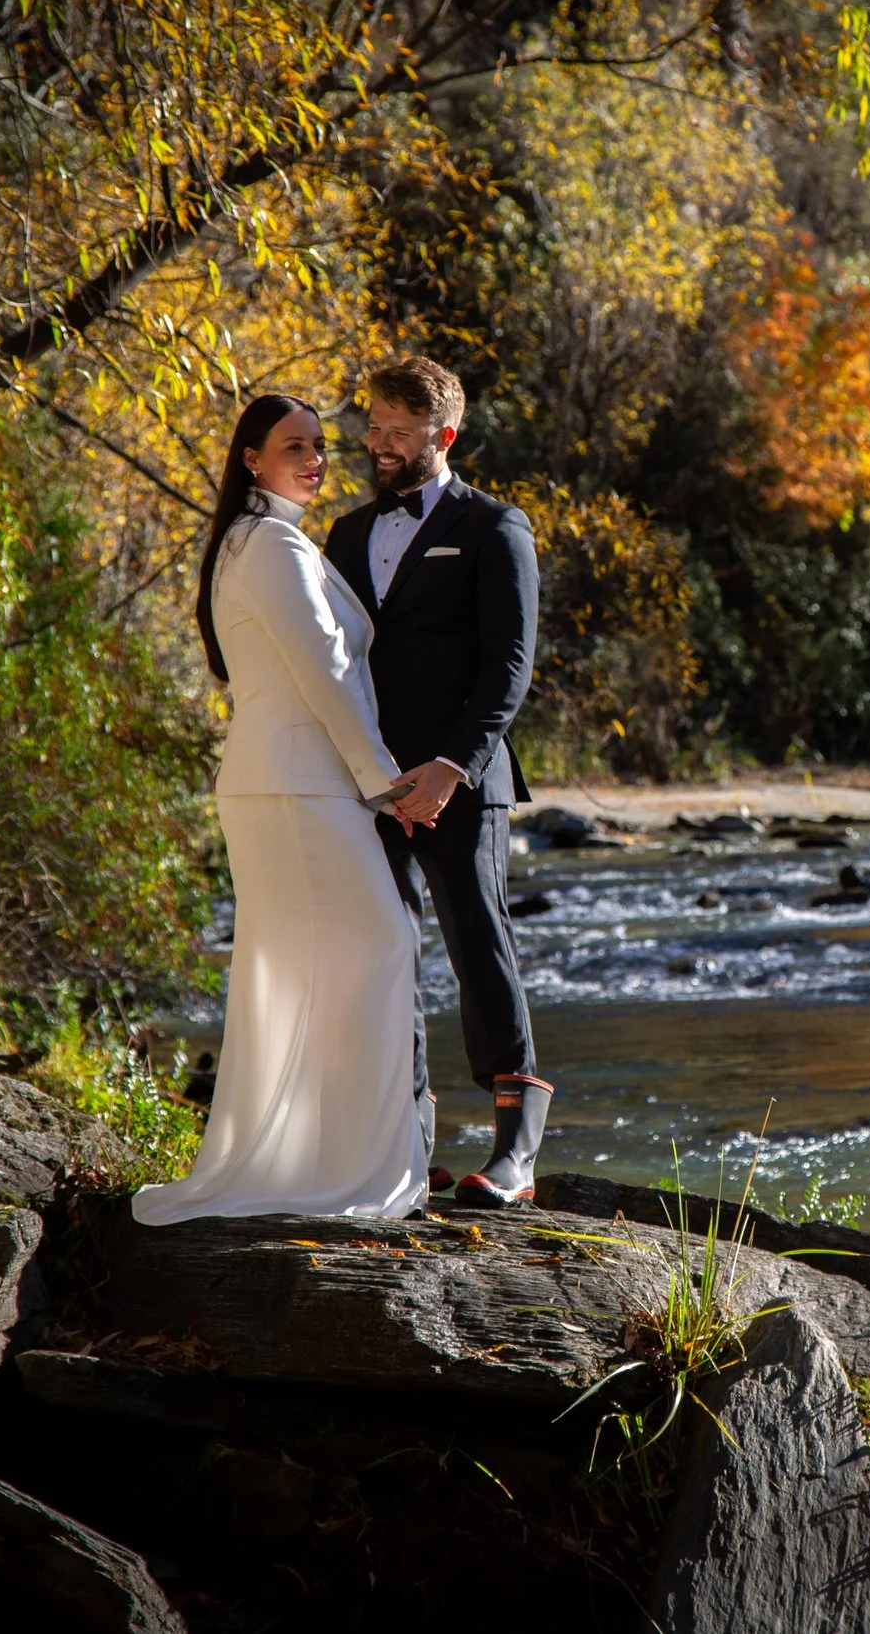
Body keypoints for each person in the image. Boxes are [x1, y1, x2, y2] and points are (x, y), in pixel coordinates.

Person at [132, 394, 433, 1225]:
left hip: (276, 783)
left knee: (298, 973)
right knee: (381, 941)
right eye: (294, 446)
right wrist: (385, 783)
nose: (315, 458)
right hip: (300, 787)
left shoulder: (249, 541)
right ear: (251, 459)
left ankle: (298, 1164)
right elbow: (326, 673)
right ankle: (346, 1172)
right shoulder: (270, 547)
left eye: (321, 447)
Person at [324, 357, 549, 1207]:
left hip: (460, 780)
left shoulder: (496, 529)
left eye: (394, 432)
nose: (376, 444)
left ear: (442, 436)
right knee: (385, 953)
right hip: (370, 780)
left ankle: (515, 1155)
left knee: (477, 945)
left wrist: (451, 768)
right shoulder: (345, 534)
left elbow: (511, 665)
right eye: (372, 427)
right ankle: (406, 1147)